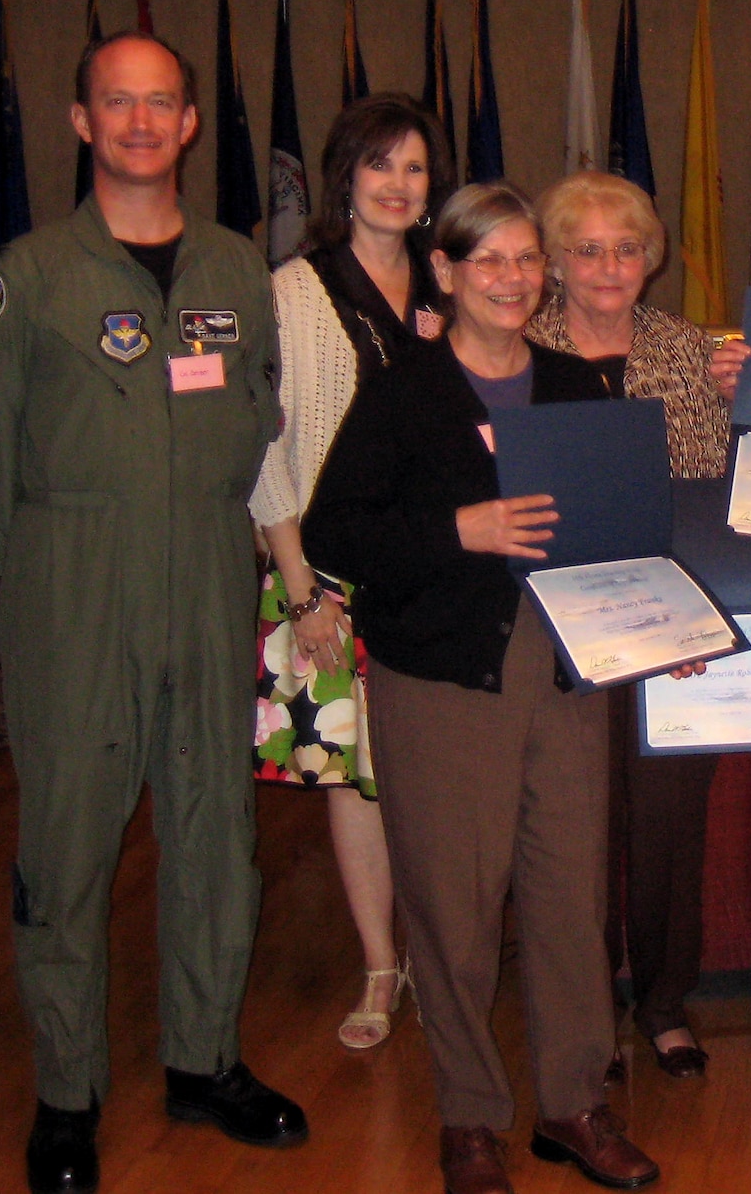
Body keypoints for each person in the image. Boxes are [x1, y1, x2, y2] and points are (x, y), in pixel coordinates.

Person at [0, 30, 306, 1194]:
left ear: (191, 123)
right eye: (118, 102)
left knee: (215, 829)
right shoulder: (25, 274)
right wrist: (23, 567)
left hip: (205, 567)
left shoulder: (234, 269)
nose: (142, 122)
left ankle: (204, 1063)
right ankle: (66, 1090)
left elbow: (257, 409)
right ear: (81, 121)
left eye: (162, 103)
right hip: (73, 574)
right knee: (68, 838)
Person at [303, 183, 658, 1194]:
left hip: (564, 669)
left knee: (566, 897)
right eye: (486, 262)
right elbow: (336, 534)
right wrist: (455, 531)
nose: (510, 280)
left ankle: (573, 1104)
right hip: (445, 676)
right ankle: (468, 1118)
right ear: (447, 275)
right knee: (455, 909)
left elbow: (616, 529)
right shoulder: (405, 394)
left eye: (524, 260)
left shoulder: (574, 386)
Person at [250, 93, 454, 1051]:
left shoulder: (444, 283)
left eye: (414, 168)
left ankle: (447, 954)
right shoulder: (295, 287)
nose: (398, 184)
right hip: (323, 571)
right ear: (345, 177)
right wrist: (301, 586)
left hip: (428, 561)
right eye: (380, 165)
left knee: (432, 768)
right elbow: (266, 446)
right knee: (349, 778)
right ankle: (381, 964)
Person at [527, 170, 735, 1080]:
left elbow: (726, 490)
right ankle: (584, 1013)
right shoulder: (513, 351)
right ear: (554, 263)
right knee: (572, 830)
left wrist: (742, 401)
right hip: (548, 632)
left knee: (666, 821)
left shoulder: (693, 352)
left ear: (650, 259)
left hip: (668, 625)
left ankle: (661, 1002)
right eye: (586, 248)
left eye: (626, 248)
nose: (608, 266)